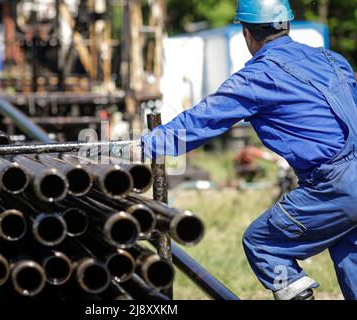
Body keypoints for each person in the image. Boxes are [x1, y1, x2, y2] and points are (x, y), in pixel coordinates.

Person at [142, 0, 357, 300]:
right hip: (348, 181)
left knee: (263, 244)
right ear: (287, 25)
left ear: (247, 34)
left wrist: (146, 145)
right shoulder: (333, 60)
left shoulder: (259, 76)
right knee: (352, 262)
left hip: (335, 186)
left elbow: (203, 120)